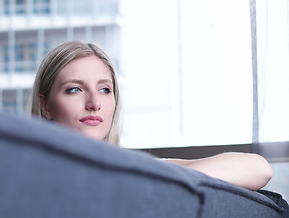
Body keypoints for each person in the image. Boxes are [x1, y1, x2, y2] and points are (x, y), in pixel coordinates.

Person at [30, 40, 273, 191]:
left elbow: (259, 169)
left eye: (105, 89)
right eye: (75, 89)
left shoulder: (135, 170)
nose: (94, 103)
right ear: (46, 106)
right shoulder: (24, 173)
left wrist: (144, 176)